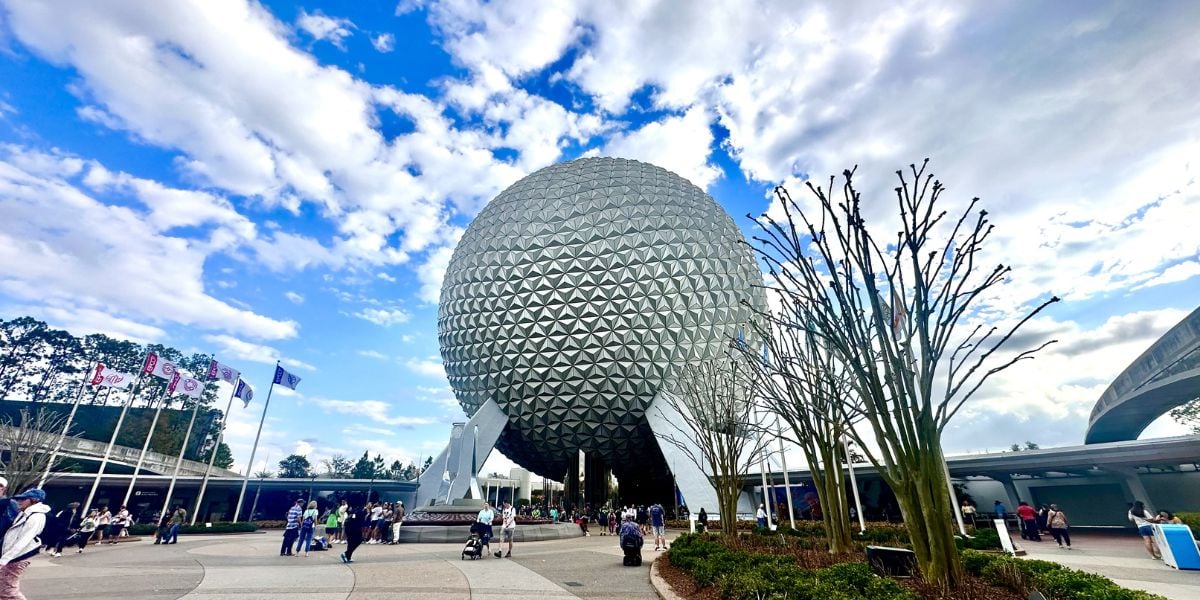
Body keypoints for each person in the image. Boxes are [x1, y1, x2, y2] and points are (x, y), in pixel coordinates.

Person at [0, 489, 49, 600]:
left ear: (34, 500)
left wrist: (4, 559)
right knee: (4, 589)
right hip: (13, 557)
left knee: (9, 591)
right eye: (19, 499)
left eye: (23, 499)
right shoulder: (25, 514)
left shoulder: (36, 517)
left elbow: (24, 540)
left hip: (18, 557)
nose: (19, 502)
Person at [341, 494, 366, 564]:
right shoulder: (359, 510)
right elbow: (361, 520)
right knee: (358, 540)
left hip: (349, 526)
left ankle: (348, 556)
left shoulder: (353, 509)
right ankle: (347, 553)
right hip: (354, 528)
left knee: (351, 542)